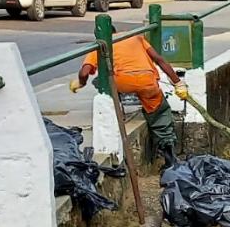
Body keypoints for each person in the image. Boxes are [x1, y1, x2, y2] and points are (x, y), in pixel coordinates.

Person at [71, 35, 186, 169]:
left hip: (122, 81)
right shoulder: (136, 37)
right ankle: (169, 157)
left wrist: (80, 83)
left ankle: (117, 105)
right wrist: (178, 83)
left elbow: (85, 72)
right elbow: (159, 60)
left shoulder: (101, 44)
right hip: (146, 80)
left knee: (100, 80)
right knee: (160, 112)